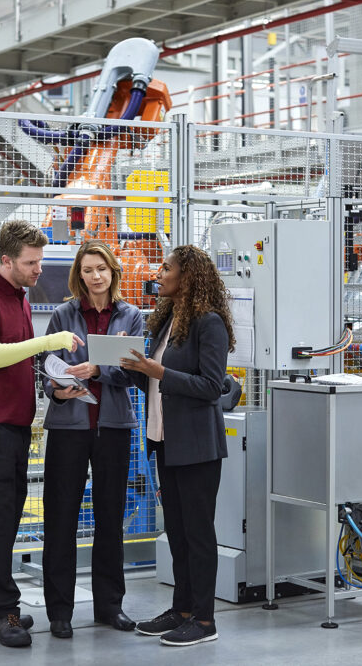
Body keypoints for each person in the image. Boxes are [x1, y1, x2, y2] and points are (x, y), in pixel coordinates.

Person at [0, 219, 82, 648]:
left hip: (12, 424)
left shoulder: (20, 300)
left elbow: (17, 360)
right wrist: (48, 344)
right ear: (5, 260)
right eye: (31, 263)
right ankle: (3, 609)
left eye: (40, 261)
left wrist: (60, 376)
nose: (38, 270)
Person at [119, 245, 234, 647]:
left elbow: (209, 386)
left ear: (187, 276)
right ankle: (181, 609)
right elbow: (157, 385)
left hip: (198, 448)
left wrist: (158, 370)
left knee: (198, 535)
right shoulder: (167, 320)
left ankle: (204, 621)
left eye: (166, 267)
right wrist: (133, 367)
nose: (158, 272)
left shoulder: (209, 322)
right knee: (178, 533)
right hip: (165, 442)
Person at [40, 240, 145, 639]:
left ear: (112, 271)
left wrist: (96, 371)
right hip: (69, 428)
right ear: (78, 276)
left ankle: (109, 606)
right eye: (87, 270)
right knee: (61, 518)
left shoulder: (131, 316)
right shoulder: (63, 315)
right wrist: (56, 388)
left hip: (113, 428)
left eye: (101, 268)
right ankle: (60, 612)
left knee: (109, 518)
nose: (95, 276)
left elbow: (134, 371)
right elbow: (45, 368)